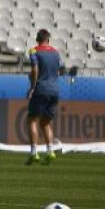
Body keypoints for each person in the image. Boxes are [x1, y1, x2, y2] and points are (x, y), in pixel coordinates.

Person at [25, 28, 61, 166]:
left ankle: (34, 153)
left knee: (32, 120)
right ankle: (50, 151)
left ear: (37, 39)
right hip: (55, 90)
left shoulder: (34, 51)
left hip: (41, 89)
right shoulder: (56, 53)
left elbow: (35, 69)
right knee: (46, 122)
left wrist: (32, 87)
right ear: (48, 39)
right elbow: (58, 72)